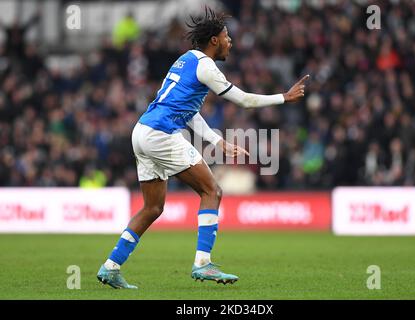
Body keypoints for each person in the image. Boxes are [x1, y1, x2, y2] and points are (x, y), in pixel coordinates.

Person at [97, 7, 309, 289]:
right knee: (212, 190)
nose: (230, 41)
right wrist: (284, 97)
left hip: (142, 131)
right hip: (161, 134)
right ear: (213, 41)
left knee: (153, 207)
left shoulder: (184, 61)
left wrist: (218, 142)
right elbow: (243, 100)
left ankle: (111, 266)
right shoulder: (207, 66)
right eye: (226, 36)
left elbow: (190, 113)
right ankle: (202, 264)